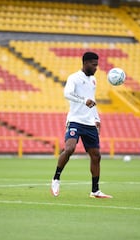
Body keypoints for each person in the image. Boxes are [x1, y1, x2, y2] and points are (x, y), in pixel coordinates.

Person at [50, 52, 112, 198]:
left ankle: (95, 190)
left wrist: (97, 118)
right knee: (70, 148)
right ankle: (56, 178)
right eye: (93, 64)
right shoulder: (74, 78)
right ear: (85, 63)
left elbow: (93, 100)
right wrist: (84, 100)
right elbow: (67, 93)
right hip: (75, 120)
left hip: (90, 122)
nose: (96, 68)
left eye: (97, 64)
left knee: (96, 156)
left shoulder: (93, 80)